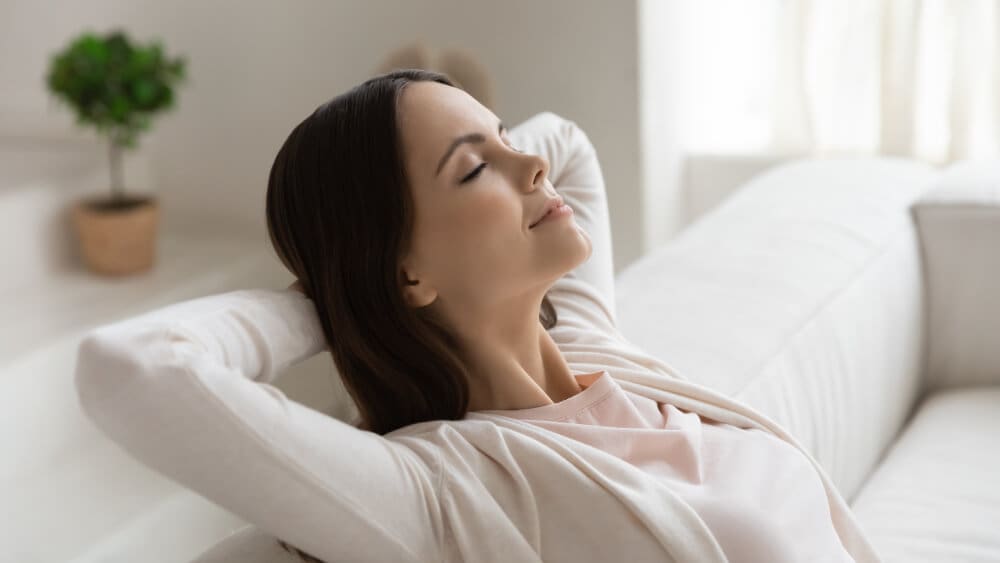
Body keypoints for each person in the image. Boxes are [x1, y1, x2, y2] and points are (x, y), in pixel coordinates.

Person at [74, 69, 881, 563]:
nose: (528, 163)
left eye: (500, 137)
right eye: (473, 169)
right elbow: (132, 367)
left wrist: (461, 170)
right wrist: (327, 303)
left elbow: (564, 141)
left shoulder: (595, 344)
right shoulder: (444, 493)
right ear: (406, 270)